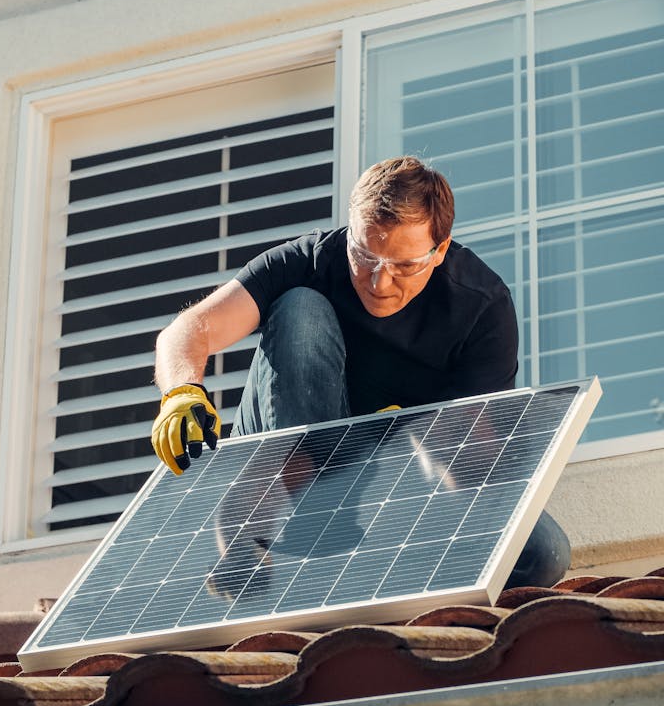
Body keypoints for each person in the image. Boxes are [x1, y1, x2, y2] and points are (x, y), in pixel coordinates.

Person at [149, 155, 570, 589]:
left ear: (440, 249)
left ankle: (371, 544)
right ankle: (276, 512)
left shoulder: (480, 308)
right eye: (364, 255)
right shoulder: (310, 261)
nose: (378, 282)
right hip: (299, 465)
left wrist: (435, 443)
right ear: (349, 232)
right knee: (300, 307)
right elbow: (190, 330)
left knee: (541, 555)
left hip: (397, 485)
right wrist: (181, 392)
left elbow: (478, 472)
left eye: (404, 266)